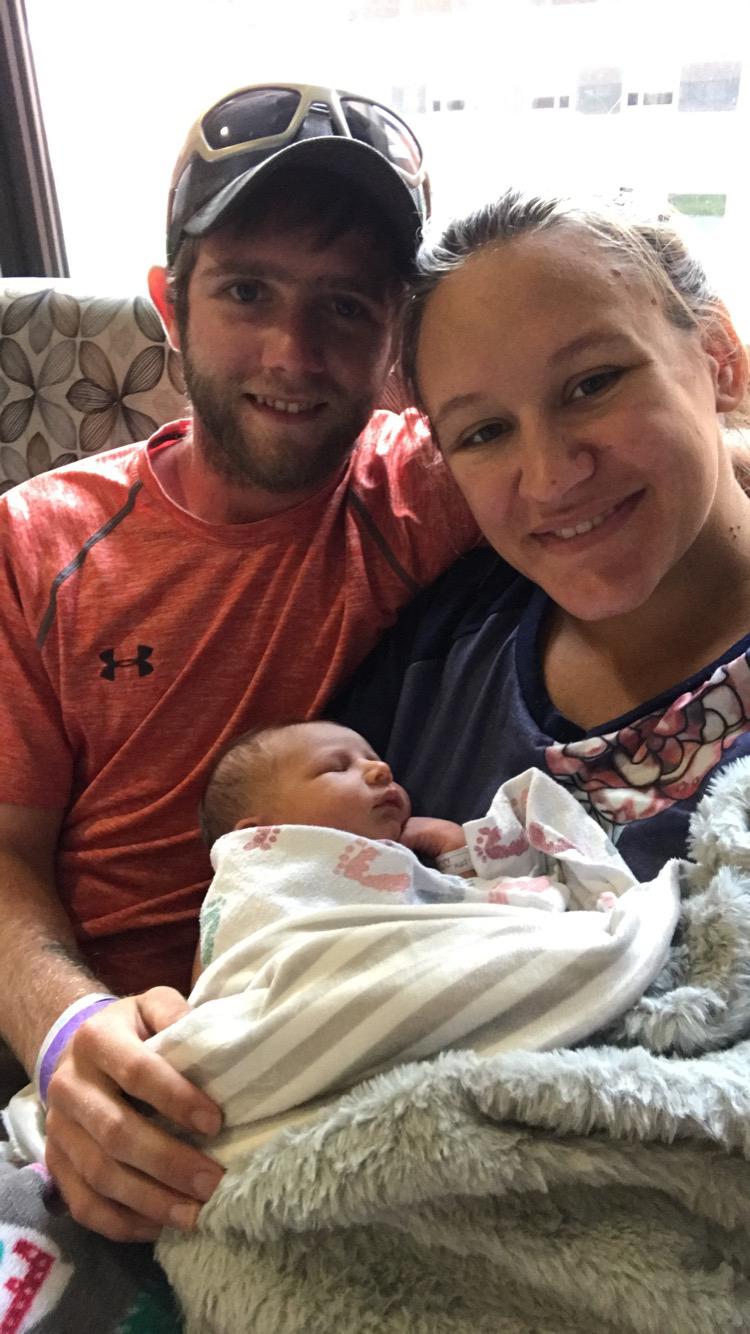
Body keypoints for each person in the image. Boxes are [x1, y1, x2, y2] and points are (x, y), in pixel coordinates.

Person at [0, 83, 478, 1246]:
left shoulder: (429, 486)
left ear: (395, 344)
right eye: (247, 291)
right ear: (171, 304)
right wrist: (66, 1032)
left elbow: (648, 463)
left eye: (345, 306)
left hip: (330, 1044)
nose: (292, 353)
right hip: (92, 1039)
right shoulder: (36, 544)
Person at [335, 188, 750, 881]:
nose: (552, 477)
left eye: (593, 384)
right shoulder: (438, 655)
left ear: (720, 358)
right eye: (486, 432)